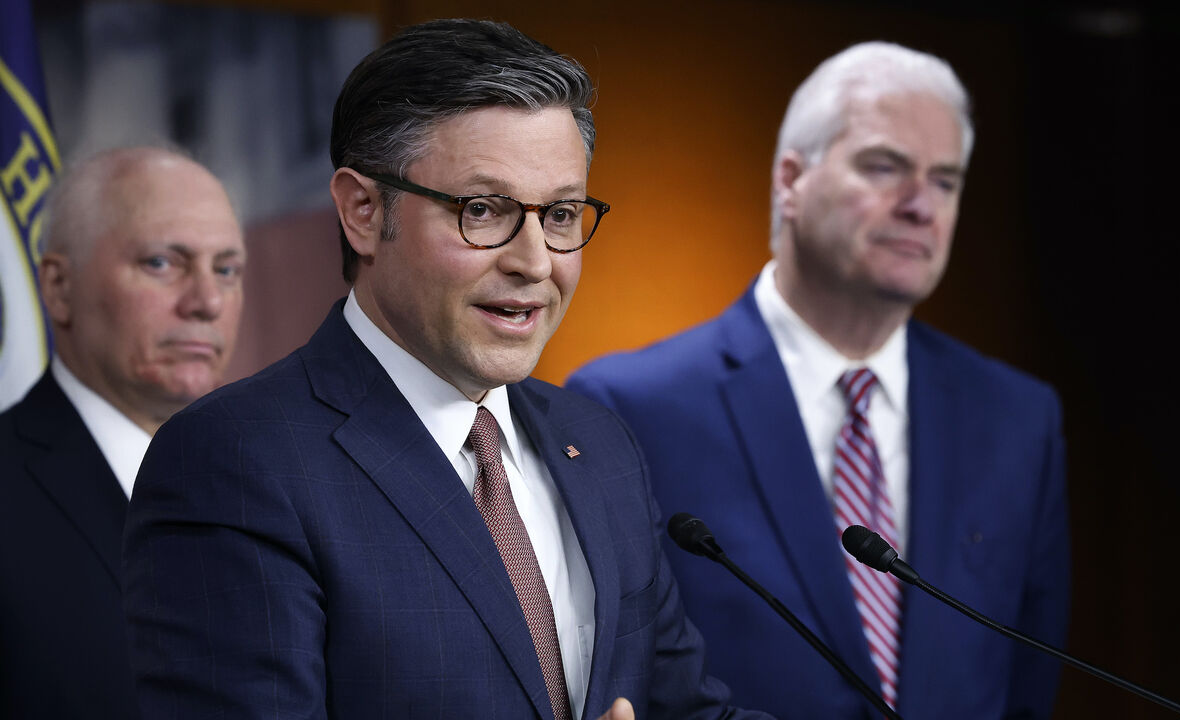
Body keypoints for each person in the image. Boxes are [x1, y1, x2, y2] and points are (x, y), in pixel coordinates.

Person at [122, 19, 770, 720]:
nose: (534, 262)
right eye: (484, 210)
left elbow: (683, 709)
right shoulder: (236, 460)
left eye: (559, 214)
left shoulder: (601, 445)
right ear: (363, 212)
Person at [567, 41, 1070, 720]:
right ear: (790, 180)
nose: (922, 205)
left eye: (946, 180)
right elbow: (619, 684)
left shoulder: (1018, 417)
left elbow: (1028, 684)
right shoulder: (626, 408)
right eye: (885, 167)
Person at [0, 146, 246, 719]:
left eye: (226, 269)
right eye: (162, 263)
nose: (207, 302)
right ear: (59, 287)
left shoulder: (275, 487)